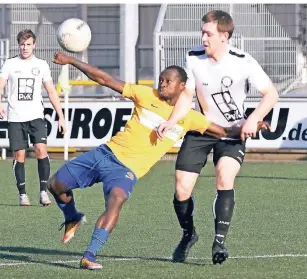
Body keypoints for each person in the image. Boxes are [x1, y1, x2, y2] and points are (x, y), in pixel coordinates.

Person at [47, 51, 269, 270]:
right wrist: (72, 61)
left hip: (126, 170)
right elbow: (104, 79)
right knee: (55, 185)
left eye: (168, 81)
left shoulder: (189, 117)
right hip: (104, 152)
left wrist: (253, 123)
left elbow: (223, 131)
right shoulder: (145, 94)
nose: (162, 84)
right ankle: (72, 217)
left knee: (115, 201)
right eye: (161, 80)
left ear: (182, 86)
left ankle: (89, 254)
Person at [156, 10, 279, 265]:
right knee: (181, 189)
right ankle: (188, 235)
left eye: (208, 33)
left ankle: (219, 242)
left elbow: (271, 94)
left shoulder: (242, 61)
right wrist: (170, 121)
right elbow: (187, 97)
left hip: (232, 131)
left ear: (224, 35)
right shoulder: (193, 58)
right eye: (202, 32)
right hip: (201, 129)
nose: (203, 37)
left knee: (224, 177)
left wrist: (254, 118)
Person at [0, 29, 66, 206]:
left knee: (41, 150)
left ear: (34, 45)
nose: (25, 47)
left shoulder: (41, 65)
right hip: (16, 118)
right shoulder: (10, 64)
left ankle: (43, 192)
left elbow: (51, 91)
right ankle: (23, 194)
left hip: (36, 116)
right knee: (19, 155)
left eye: (28, 44)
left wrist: (61, 116)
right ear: (19, 45)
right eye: (22, 44)